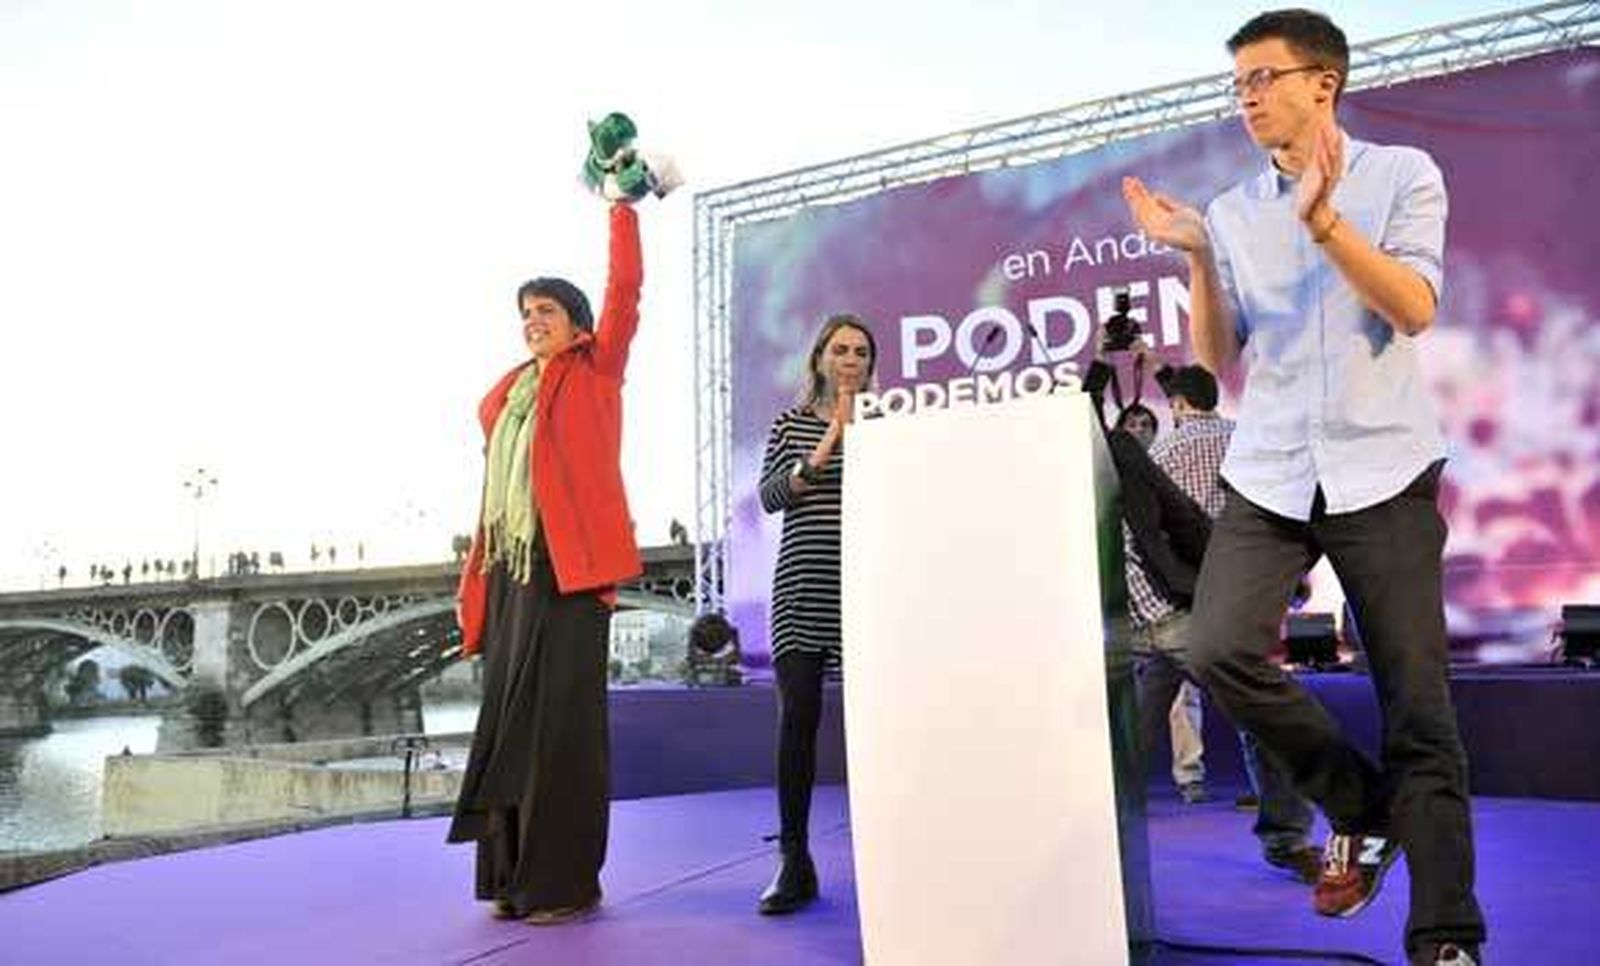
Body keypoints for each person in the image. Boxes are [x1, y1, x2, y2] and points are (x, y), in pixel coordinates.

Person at [1122, 10, 1484, 964]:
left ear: (1324, 83)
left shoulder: (1403, 174)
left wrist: (1326, 226)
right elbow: (1215, 358)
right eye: (1237, 83)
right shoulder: (1234, 212)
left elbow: (1413, 307)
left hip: (1384, 466)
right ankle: (1362, 807)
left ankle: (1446, 938)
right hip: (1272, 471)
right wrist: (1198, 255)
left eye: (1263, 78)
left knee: (1418, 708)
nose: (1246, 98)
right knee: (1215, 647)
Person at [446, 200, 645, 926]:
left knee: (561, 733)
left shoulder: (596, 371)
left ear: (577, 322)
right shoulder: (511, 397)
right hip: (512, 571)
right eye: (526, 312)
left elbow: (626, 288)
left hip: (571, 574)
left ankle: (565, 882)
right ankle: (510, 876)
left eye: (546, 310)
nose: (533, 321)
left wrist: (621, 207)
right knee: (509, 725)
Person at [1123, 362, 1320, 880]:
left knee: (1124, 741)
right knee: (1259, 715)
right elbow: (1275, 522)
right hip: (1213, 608)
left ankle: (1093, 843)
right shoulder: (1247, 443)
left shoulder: (1161, 453)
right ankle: (1287, 839)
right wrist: (1294, 576)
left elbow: (1143, 534)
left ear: (1177, 406)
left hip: (1154, 609)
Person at [754, 313, 876, 915]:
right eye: (840, 349)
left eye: (861, 352)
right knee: (798, 720)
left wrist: (861, 427)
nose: (850, 360)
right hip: (803, 587)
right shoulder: (790, 423)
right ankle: (794, 860)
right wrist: (834, 434)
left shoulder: (886, 427)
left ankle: (893, 853)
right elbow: (774, 495)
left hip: (868, 588)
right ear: (820, 359)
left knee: (879, 723)